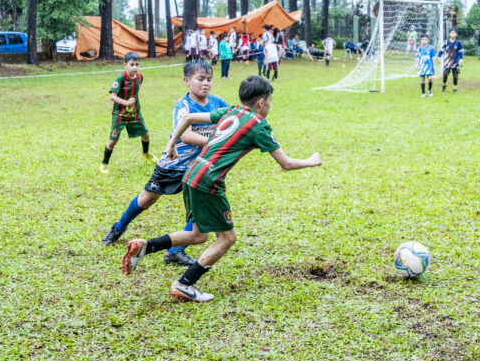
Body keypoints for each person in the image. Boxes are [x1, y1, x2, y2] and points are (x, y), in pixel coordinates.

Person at [120, 76, 322, 302]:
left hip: (191, 174)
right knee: (227, 238)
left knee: (197, 235)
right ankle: (184, 284)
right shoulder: (259, 126)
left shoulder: (232, 111)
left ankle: (145, 247)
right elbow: (286, 164)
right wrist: (311, 161)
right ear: (262, 102)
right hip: (209, 182)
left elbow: (187, 118)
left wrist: (170, 145)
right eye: (271, 101)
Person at [101, 59, 228, 269]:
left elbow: (229, 124)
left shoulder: (218, 102)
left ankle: (175, 251)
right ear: (187, 81)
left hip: (198, 167)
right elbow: (186, 135)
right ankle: (118, 228)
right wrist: (214, 143)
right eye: (200, 79)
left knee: (199, 207)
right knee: (146, 200)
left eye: (209, 79)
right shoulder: (183, 105)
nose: (205, 83)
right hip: (173, 165)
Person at [100, 52, 155, 174]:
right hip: (120, 115)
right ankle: (104, 164)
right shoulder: (120, 78)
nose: (135, 67)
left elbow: (135, 93)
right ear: (125, 65)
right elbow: (112, 96)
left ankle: (145, 153)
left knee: (146, 135)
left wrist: (133, 103)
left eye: (137, 65)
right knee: (113, 141)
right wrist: (125, 103)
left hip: (135, 114)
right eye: (132, 64)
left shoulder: (140, 77)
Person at [438, 29, 464, 93]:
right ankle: (444, 85)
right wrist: (439, 56)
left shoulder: (458, 42)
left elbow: (460, 51)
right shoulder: (446, 42)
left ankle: (455, 88)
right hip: (447, 61)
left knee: (455, 75)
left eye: (454, 33)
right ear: (449, 34)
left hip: (455, 61)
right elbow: (442, 50)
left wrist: (461, 59)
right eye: (452, 33)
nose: (453, 34)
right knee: (445, 74)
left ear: (456, 34)